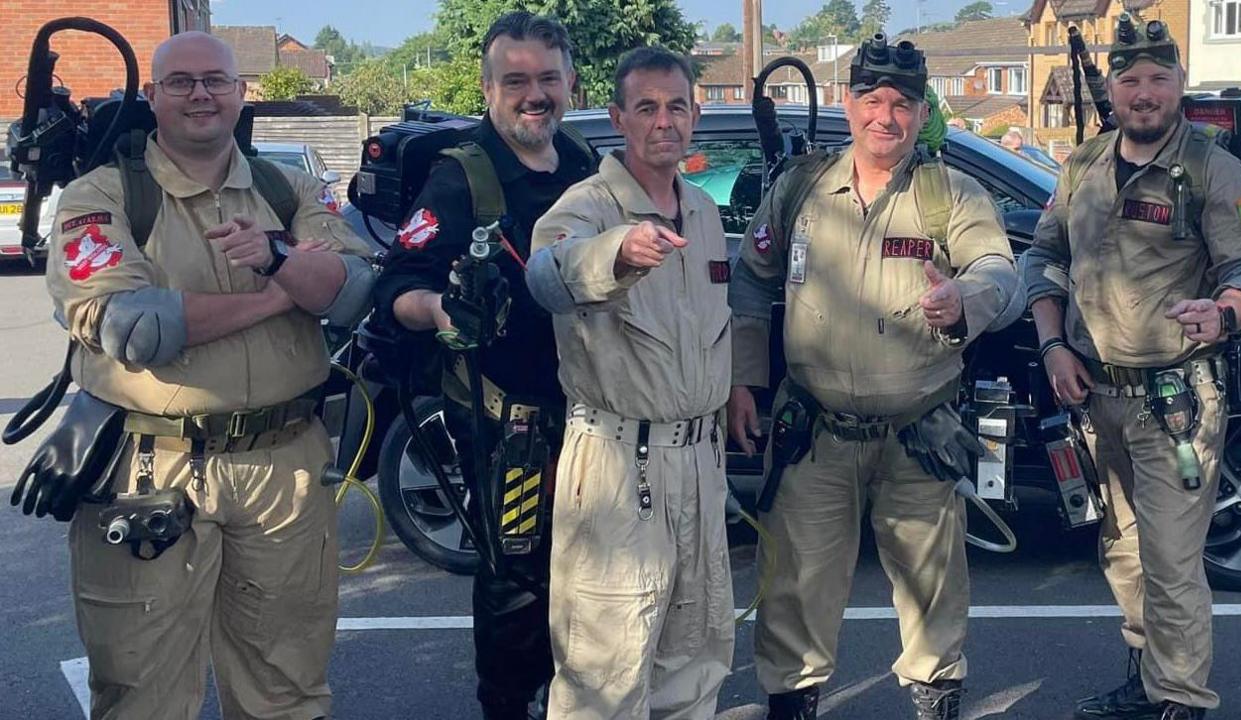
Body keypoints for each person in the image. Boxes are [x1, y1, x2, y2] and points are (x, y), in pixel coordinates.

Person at [40, 31, 374, 719]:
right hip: (149, 469)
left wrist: (280, 260)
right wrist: (283, 288)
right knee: (143, 695)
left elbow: (352, 289)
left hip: (285, 469)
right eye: (182, 82)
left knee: (287, 691)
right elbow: (137, 329)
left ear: (239, 92)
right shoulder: (96, 199)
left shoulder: (291, 189)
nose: (200, 94)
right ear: (154, 96)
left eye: (215, 81)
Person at [727, 35, 1022, 720]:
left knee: (932, 590)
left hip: (917, 430)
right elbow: (751, 279)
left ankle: (935, 699)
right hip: (815, 433)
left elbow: (999, 273)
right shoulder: (802, 188)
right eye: (871, 99)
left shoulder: (951, 194)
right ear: (847, 101)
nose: (884, 116)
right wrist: (746, 383)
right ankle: (793, 705)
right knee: (795, 587)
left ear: (922, 114)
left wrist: (963, 302)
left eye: (901, 103)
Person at [1020, 15, 1241, 720]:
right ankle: (1148, 677)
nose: (1144, 92)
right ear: (1111, 86)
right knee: (1124, 553)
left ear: (1179, 85)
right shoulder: (1082, 166)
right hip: (1096, 395)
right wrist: (1052, 345)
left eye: (1159, 78)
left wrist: (1224, 313)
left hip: (1176, 401)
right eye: (1129, 79)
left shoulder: (1212, 169)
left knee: (1169, 560)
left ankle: (1182, 700)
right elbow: (1043, 259)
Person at [370, 12, 595, 720]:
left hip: (596, 419)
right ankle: (506, 707)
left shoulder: (587, 164)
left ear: (570, 83)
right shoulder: (462, 175)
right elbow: (393, 287)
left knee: (598, 578)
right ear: (488, 87)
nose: (535, 95)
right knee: (516, 586)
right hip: (514, 430)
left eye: (548, 79)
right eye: (517, 80)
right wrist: (441, 310)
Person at [525, 46, 735, 719]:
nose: (664, 121)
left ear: (695, 114)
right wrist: (617, 251)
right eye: (647, 107)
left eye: (677, 106)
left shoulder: (702, 210)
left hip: (700, 463)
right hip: (621, 466)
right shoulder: (586, 206)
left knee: (696, 658)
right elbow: (548, 272)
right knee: (604, 675)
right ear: (619, 117)